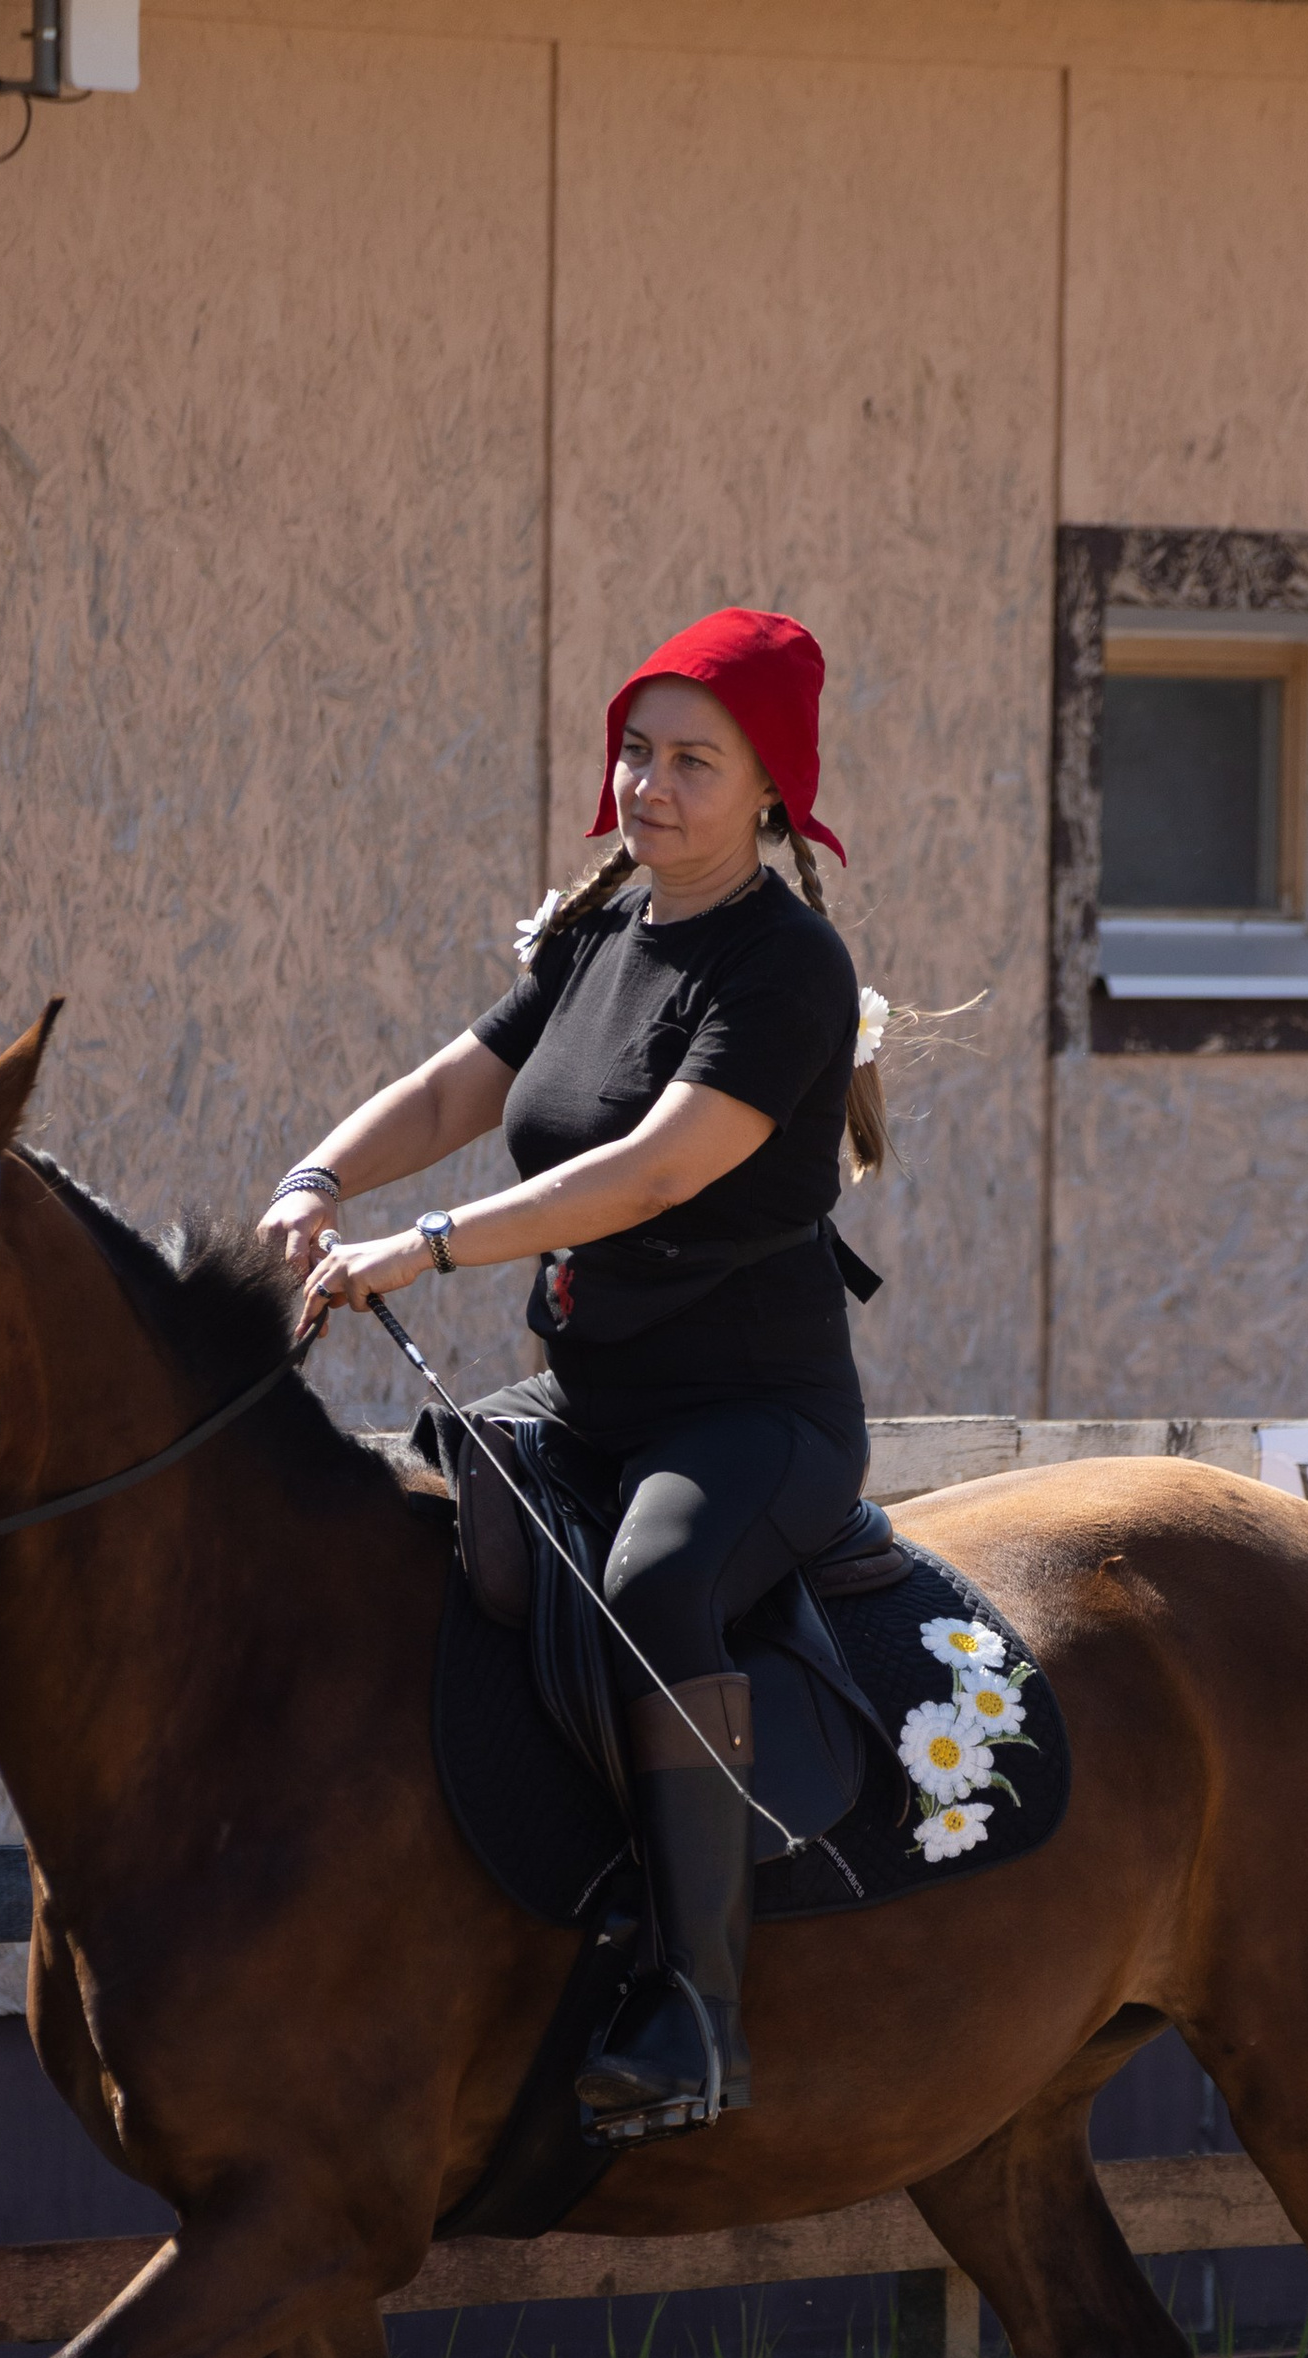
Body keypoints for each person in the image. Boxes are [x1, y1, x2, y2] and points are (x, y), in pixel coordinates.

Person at [258, 606, 889, 2143]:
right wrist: (318, 1176)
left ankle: (698, 2012)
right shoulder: (600, 934)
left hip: (755, 1422)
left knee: (656, 1575)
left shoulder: (791, 964)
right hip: (591, 1401)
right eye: (635, 751)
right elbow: (456, 1087)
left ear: (768, 794)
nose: (648, 786)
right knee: (413, 1525)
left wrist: (424, 1250)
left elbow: (656, 1171)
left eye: (693, 761)